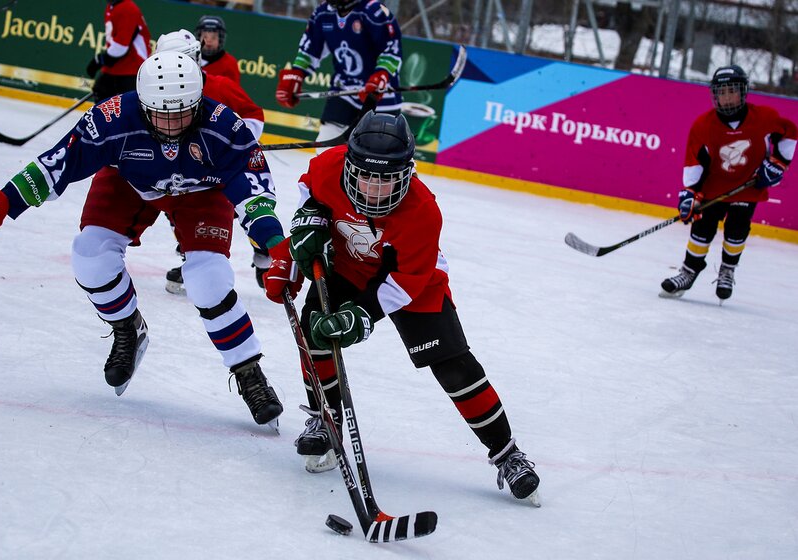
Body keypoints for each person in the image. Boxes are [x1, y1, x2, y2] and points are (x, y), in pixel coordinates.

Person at [0, 51, 284, 427]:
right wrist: (3, 201)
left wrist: (273, 241)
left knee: (209, 280)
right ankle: (127, 328)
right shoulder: (113, 117)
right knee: (89, 254)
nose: (171, 126)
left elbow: (254, 193)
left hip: (201, 193)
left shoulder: (225, 127)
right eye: (161, 114)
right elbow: (59, 163)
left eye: (181, 114)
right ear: (142, 103)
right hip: (129, 182)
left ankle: (248, 370)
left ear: (199, 102)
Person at [262, 111, 541, 503]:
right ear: (350, 166)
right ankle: (325, 421)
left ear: (406, 173)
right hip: (346, 266)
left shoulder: (423, 210)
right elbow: (309, 192)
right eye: (367, 177)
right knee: (314, 334)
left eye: (387, 179)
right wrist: (304, 230)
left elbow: (405, 281)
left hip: (413, 280)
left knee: (453, 365)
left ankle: (507, 454)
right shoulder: (327, 167)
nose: (375, 189)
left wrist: (361, 316)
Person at [149, 30, 269, 296]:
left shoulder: (220, 86)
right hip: (185, 171)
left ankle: (263, 253)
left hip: (222, 170)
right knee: (176, 208)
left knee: (244, 208)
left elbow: (253, 114)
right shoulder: (156, 91)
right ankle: (192, 258)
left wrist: (239, 143)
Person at [660, 65, 796, 301]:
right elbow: (695, 161)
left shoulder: (765, 117)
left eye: (732, 91)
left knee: (737, 229)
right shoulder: (703, 125)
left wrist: (778, 163)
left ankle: (727, 270)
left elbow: (790, 133)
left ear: (743, 92)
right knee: (702, 228)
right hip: (713, 189)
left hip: (748, 187)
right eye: (721, 92)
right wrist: (689, 193)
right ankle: (689, 271)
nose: (727, 97)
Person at [275, 0, 403, 149]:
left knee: (382, 155)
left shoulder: (374, 10)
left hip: (381, 97)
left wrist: (380, 77)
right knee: (325, 148)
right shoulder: (322, 13)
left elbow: (392, 51)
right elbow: (309, 51)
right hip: (344, 91)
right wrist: (296, 74)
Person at [85, 0, 151, 102]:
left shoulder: (127, 8)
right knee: (100, 94)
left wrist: (100, 60)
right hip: (117, 66)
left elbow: (121, 47)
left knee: (129, 104)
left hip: (132, 68)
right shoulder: (112, 6)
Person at [194, 15, 240, 83]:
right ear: (199, 38)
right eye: (205, 37)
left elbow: (233, 88)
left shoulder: (229, 63)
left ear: (220, 39)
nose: (209, 41)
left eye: (213, 38)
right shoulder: (191, 58)